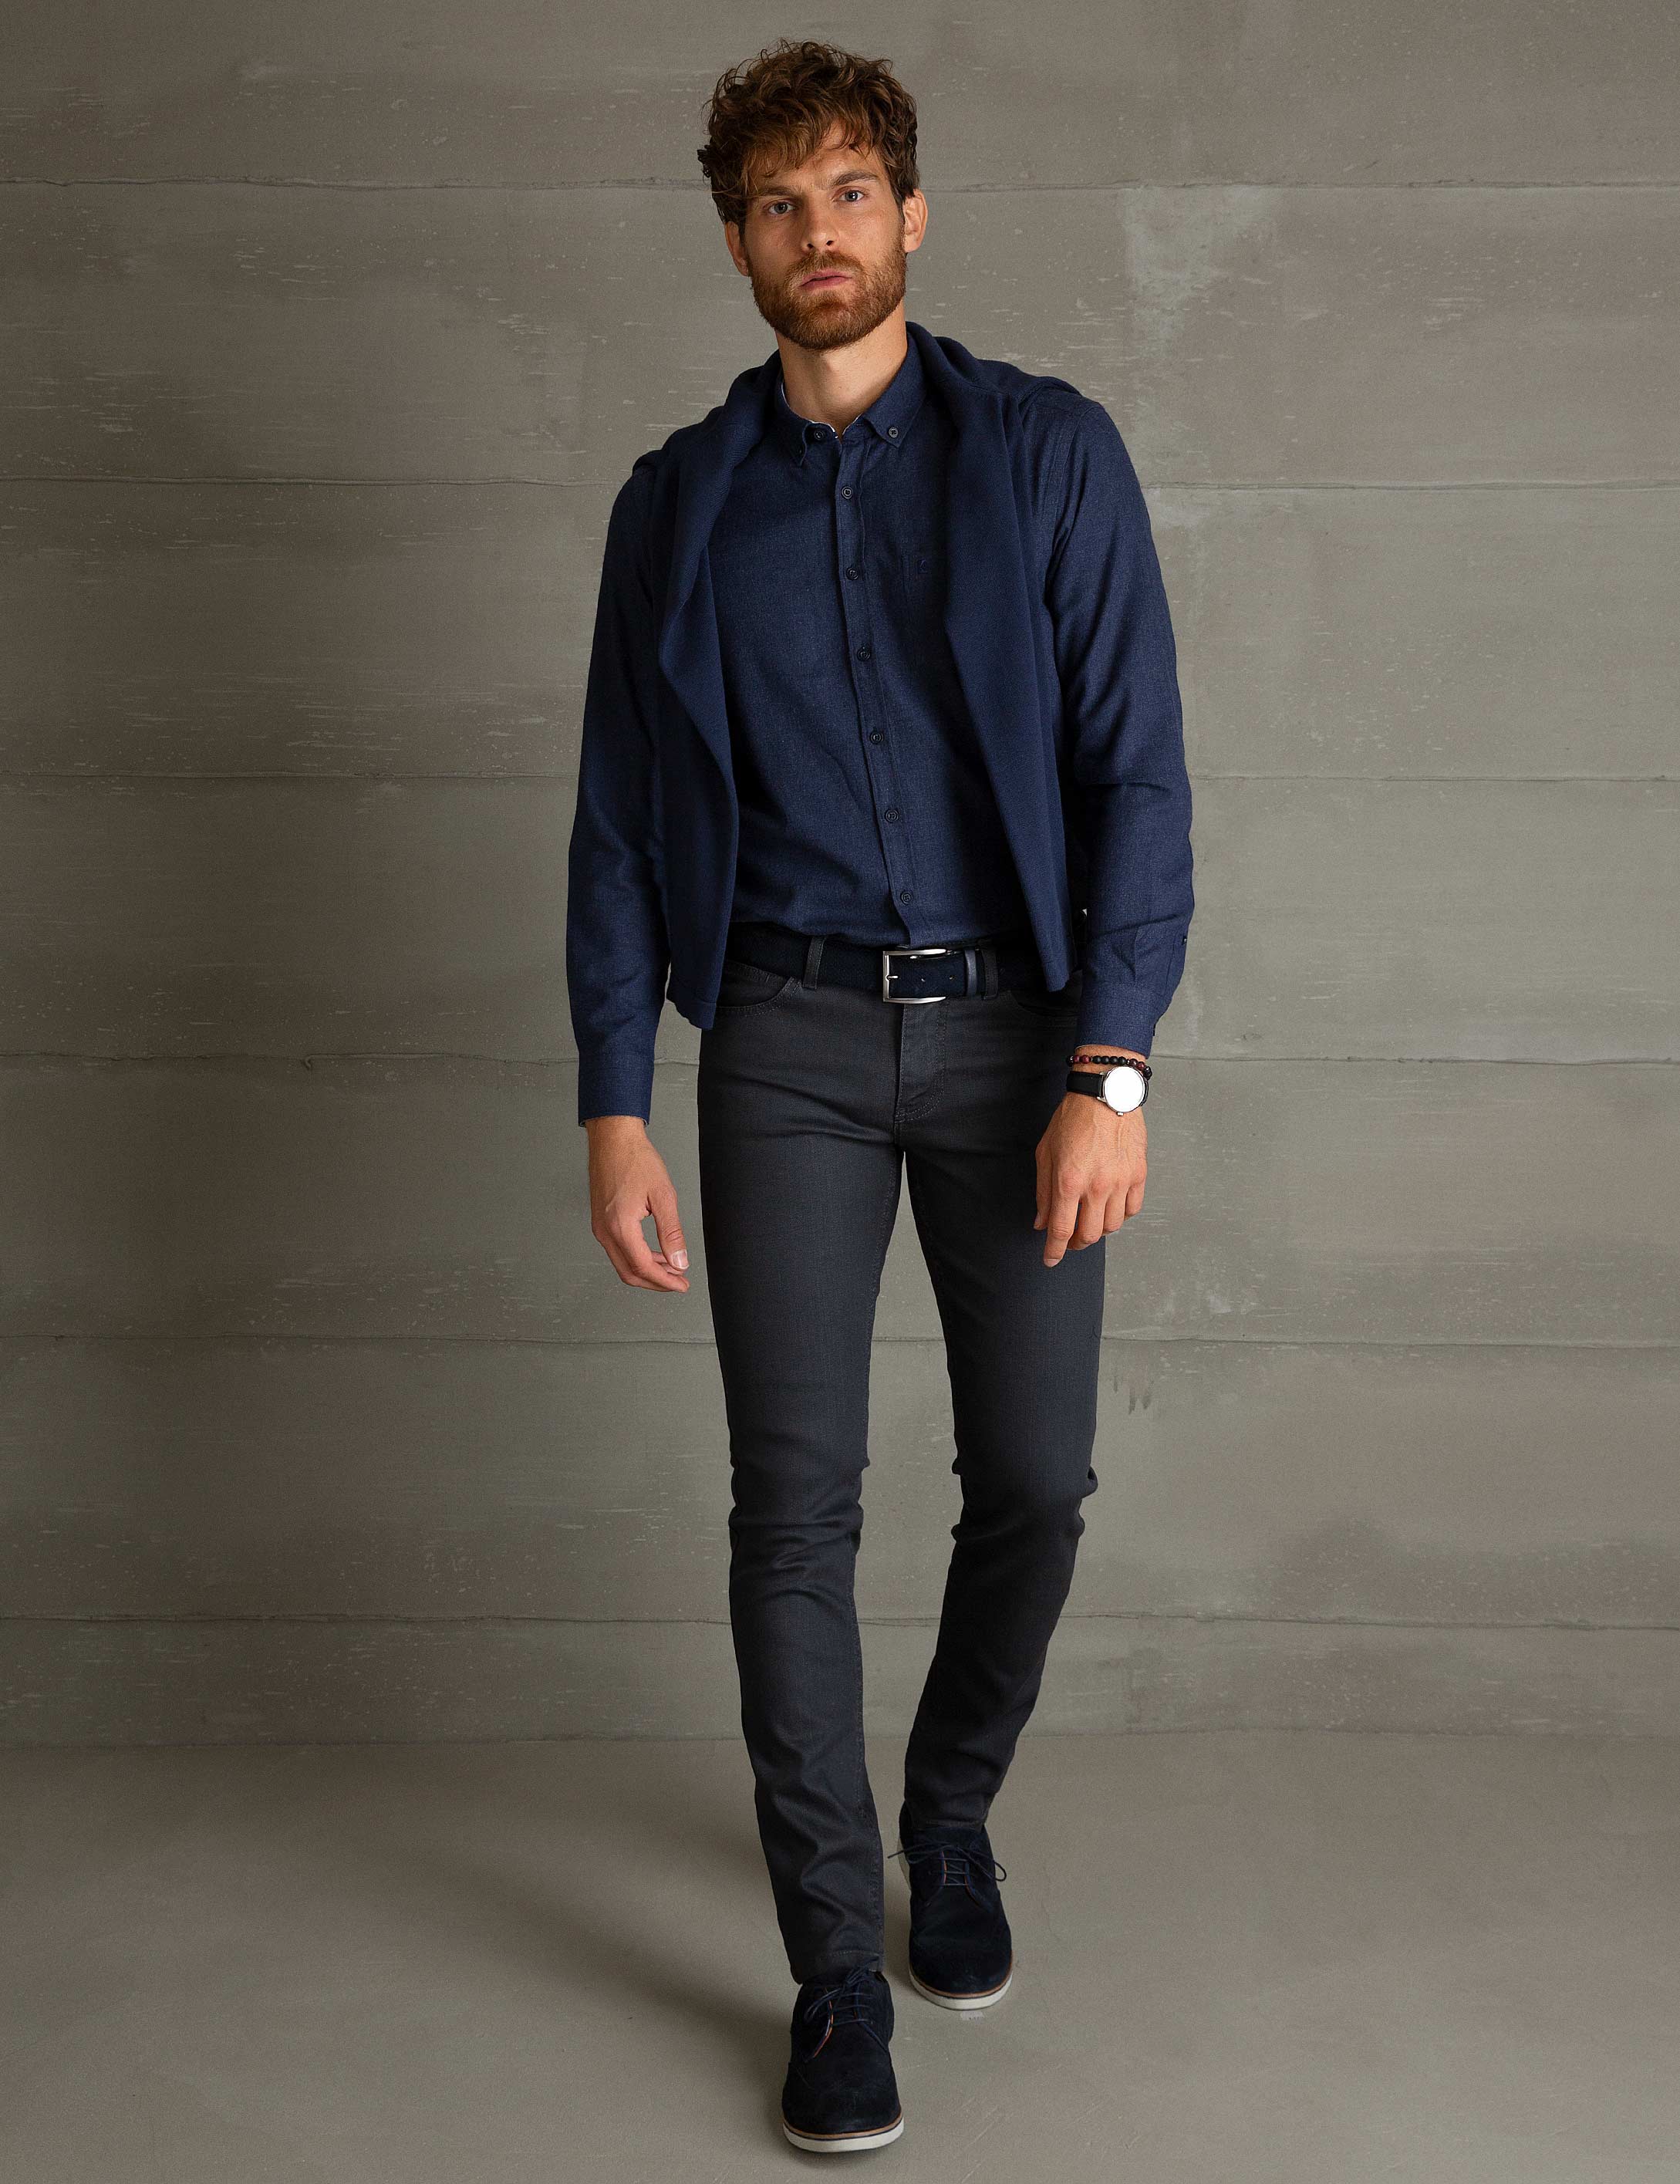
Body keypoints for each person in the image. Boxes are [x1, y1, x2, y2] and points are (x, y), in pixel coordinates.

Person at [566, 37, 1193, 2155]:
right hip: (787, 1044)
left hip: (1023, 1040)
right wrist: (614, 1097)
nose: (814, 233)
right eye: (775, 203)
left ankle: (950, 1815)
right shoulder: (677, 508)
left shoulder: (1045, 458)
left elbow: (1135, 774)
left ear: (909, 215)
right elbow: (615, 826)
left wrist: (1111, 1062)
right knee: (796, 1505)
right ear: (735, 240)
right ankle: (836, 1963)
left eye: (847, 193)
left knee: (1035, 1480)